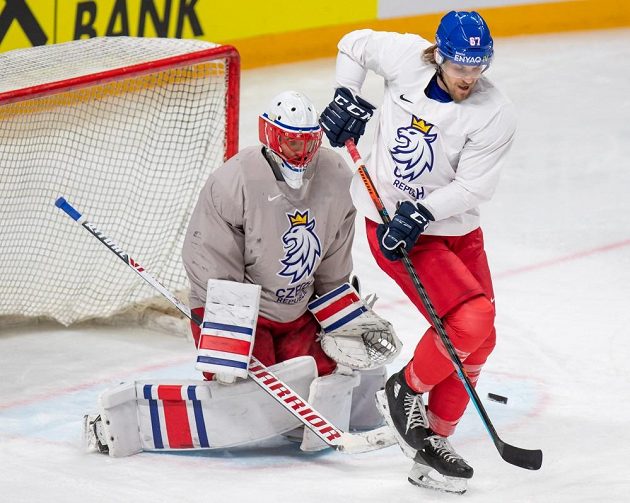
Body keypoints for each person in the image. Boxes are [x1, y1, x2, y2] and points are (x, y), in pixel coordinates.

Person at [83, 91, 400, 458]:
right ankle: (128, 422)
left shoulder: (336, 176)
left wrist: (341, 318)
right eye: (291, 142)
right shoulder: (233, 182)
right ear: (269, 134)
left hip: (299, 311)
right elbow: (211, 264)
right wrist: (227, 340)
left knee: (328, 371)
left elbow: (333, 261)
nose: (301, 153)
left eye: (308, 143)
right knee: (241, 392)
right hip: (243, 311)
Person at [319, 11, 516, 494]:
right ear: (439, 54)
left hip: (453, 229)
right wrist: (347, 92)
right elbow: (353, 42)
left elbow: (472, 186)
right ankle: (405, 389)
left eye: (478, 67)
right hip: (393, 227)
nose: (469, 78)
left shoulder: (494, 112)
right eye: (460, 66)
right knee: (469, 322)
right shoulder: (407, 58)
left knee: (479, 340)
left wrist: (422, 211)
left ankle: (432, 447)